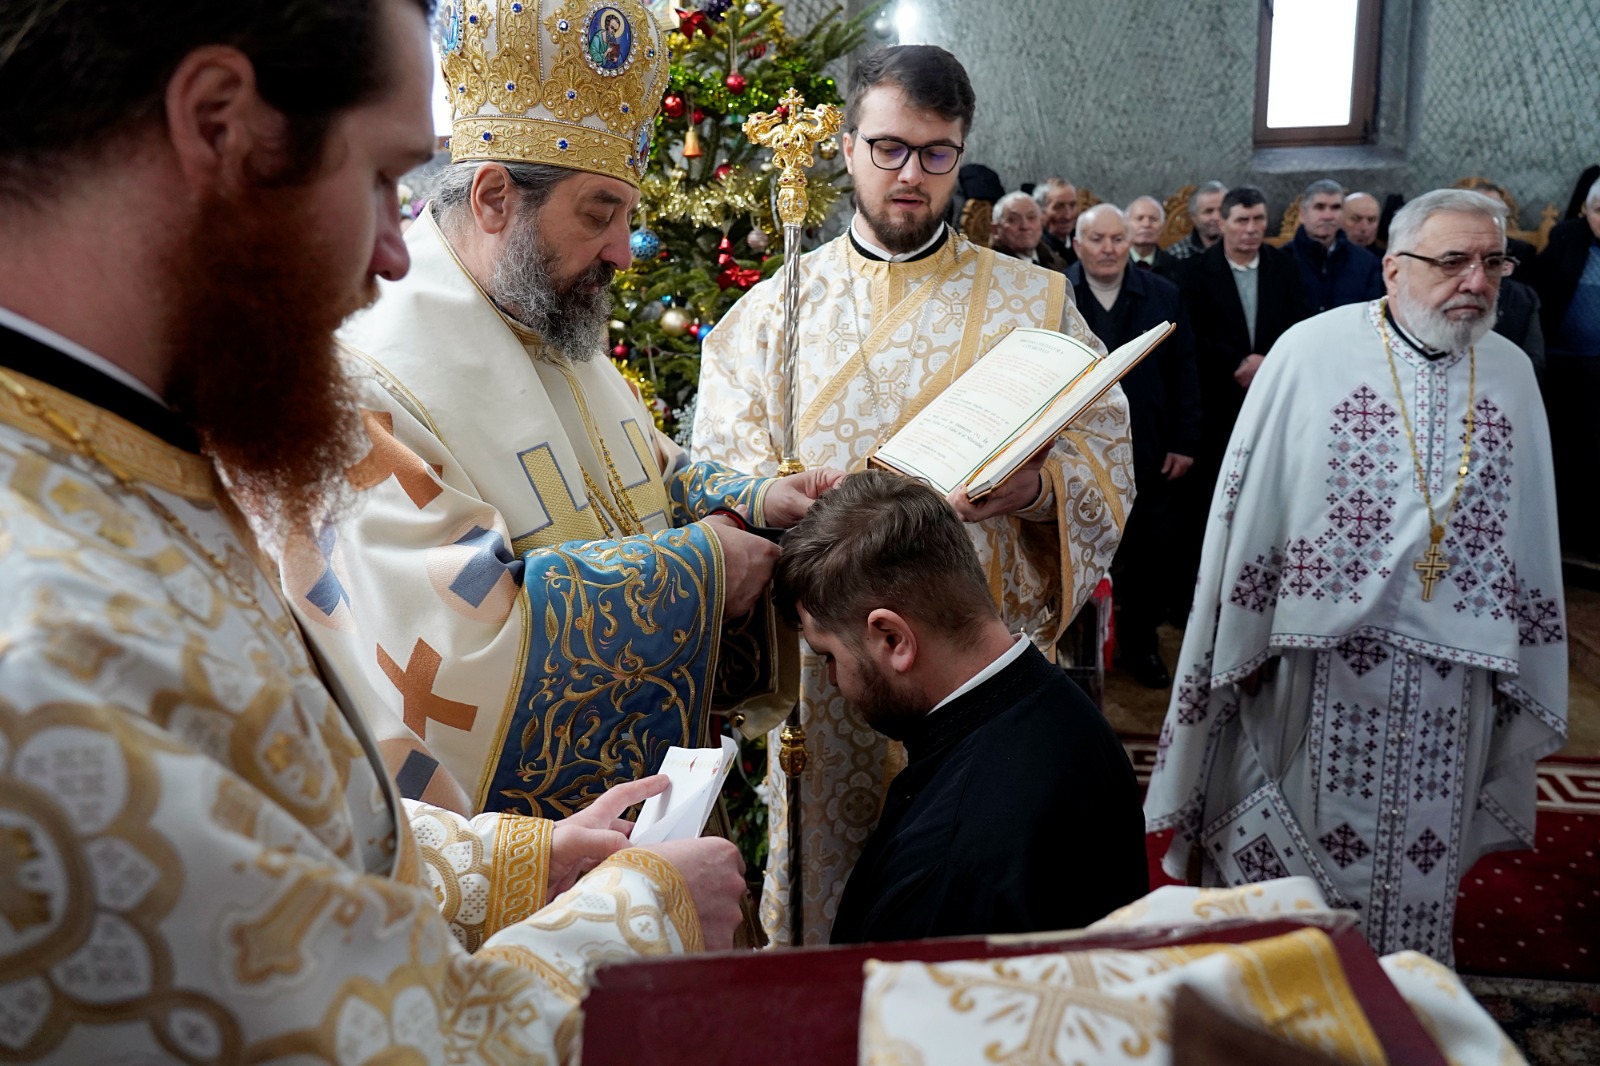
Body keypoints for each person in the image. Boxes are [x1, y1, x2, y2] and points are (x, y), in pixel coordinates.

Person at [0, 0, 747, 1059]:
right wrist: (637, 916)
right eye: (386, 183)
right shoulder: (43, 634)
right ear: (218, 124)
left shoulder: (126, 455)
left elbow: (279, 827)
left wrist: (528, 866)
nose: (399, 257)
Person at [276, 0, 839, 822]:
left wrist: (754, 503)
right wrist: (702, 571)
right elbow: (455, 642)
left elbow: (642, 477)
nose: (622, 250)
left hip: (648, 829)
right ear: (497, 196)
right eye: (599, 213)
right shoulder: (370, 378)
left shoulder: (542, 312)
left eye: (627, 216)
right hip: (519, 869)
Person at [693, 45, 1132, 945]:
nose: (911, 175)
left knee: (980, 896)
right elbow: (720, 475)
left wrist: (1038, 488)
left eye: (938, 154)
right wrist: (774, 491)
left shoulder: (1034, 304)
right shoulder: (772, 314)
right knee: (834, 901)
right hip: (834, 680)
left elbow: (1108, 457)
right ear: (847, 147)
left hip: (971, 667)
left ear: (961, 155)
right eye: (889, 148)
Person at [1145, 189, 1567, 963]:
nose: (1476, 281)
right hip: (1316, 666)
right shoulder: (1312, 352)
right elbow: (1251, 506)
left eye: (1492, 262)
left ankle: (1403, 991)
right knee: (1291, 866)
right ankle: (1283, 1000)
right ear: (1394, 269)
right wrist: (1242, 640)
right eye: (1452, 262)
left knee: (1419, 868)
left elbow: (1527, 532)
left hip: (1451, 682)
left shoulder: (1509, 373)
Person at [774, 472, 1147, 945]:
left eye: (828, 654)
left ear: (893, 639)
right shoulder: (1060, 704)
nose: (831, 678)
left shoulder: (945, 870)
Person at [1068, 205, 1199, 689]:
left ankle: (1140, 646)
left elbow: (1186, 371)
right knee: (1077, 554)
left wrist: (1185, 440)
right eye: (1097, 239)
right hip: (1073, 454)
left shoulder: (1163, 294)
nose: (1107, 248)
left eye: (1117, 239)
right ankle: (1073, 653)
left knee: (1146, 559)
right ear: (1076, 244)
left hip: (1149, 448)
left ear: (1130, 244)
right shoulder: (1055, 293)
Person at [1170, 185, 1308, 620]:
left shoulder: (1286, 268)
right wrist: (1237, 362)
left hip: (1272, 402)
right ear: (1221, 223)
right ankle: (1194, 596)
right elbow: (1187, 336)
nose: (1251, 230)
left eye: (1258, 221)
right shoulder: (1193, 272)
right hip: (1214, 404)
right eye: (1242, 221)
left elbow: (1301, 327)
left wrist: (1266, 362)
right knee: (1203, 507)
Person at [1528, 175, 1600, 560]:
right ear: (1585, 211)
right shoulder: (1568, 238)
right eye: (1598, 210)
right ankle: (1563, 541)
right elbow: (1539, 291)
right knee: (1564, 452)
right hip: (1563, 365)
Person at [1283, 178, 1384, 313]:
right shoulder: (1282, 260)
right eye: (1319, 207)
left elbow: (1372, 314)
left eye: (1335, 208)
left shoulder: (1366, 262)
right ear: (1303, 214)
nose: (1327, 216)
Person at [991, 190, 1069, 272]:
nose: (1025, 226)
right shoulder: (990, 270)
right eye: (1014, 220)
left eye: (1031, 217)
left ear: (1041, 222)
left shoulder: (1058, 263)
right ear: (995, 230)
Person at [1166, 180, 1227, 261]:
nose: (1216, 217)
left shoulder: (1243, 248)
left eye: (1222, 210)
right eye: (1208, 211)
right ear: (1193, 217)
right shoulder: (1175, 255)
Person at [1126, 195, 1180, 277]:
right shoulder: (1116, 263)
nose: (1146, 224)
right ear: (1126, 225)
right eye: (1139, 218)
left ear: (1162, 227)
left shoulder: (1175, 266)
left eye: (1153, 219)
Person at [1034, 176, 1082, 266]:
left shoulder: (1084, 243)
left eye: (1072, 205)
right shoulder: (1035, 250)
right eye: (1059, 207)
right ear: (1040, 210)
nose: (1068, 215)